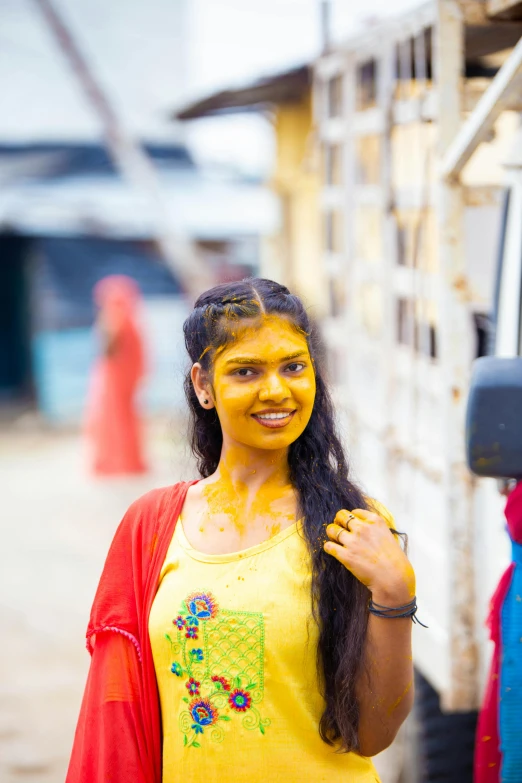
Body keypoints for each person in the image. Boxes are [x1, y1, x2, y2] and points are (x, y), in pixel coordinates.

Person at [67, 278, 418, 783]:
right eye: (246, 370)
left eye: (293, 367)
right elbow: (117, 714)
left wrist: (396, 593)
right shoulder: (153, 526)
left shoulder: (351, 525)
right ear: (204, 385)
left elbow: (372, 735)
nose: (276, 390)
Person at [84, 274, 147, 475]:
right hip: (127, 376)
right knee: (126, 416)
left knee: (111, 418)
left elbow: (107, 347)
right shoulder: (132, 318)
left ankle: (115, 462)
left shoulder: (113, 316)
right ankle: (128, 459)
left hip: (114, 375)